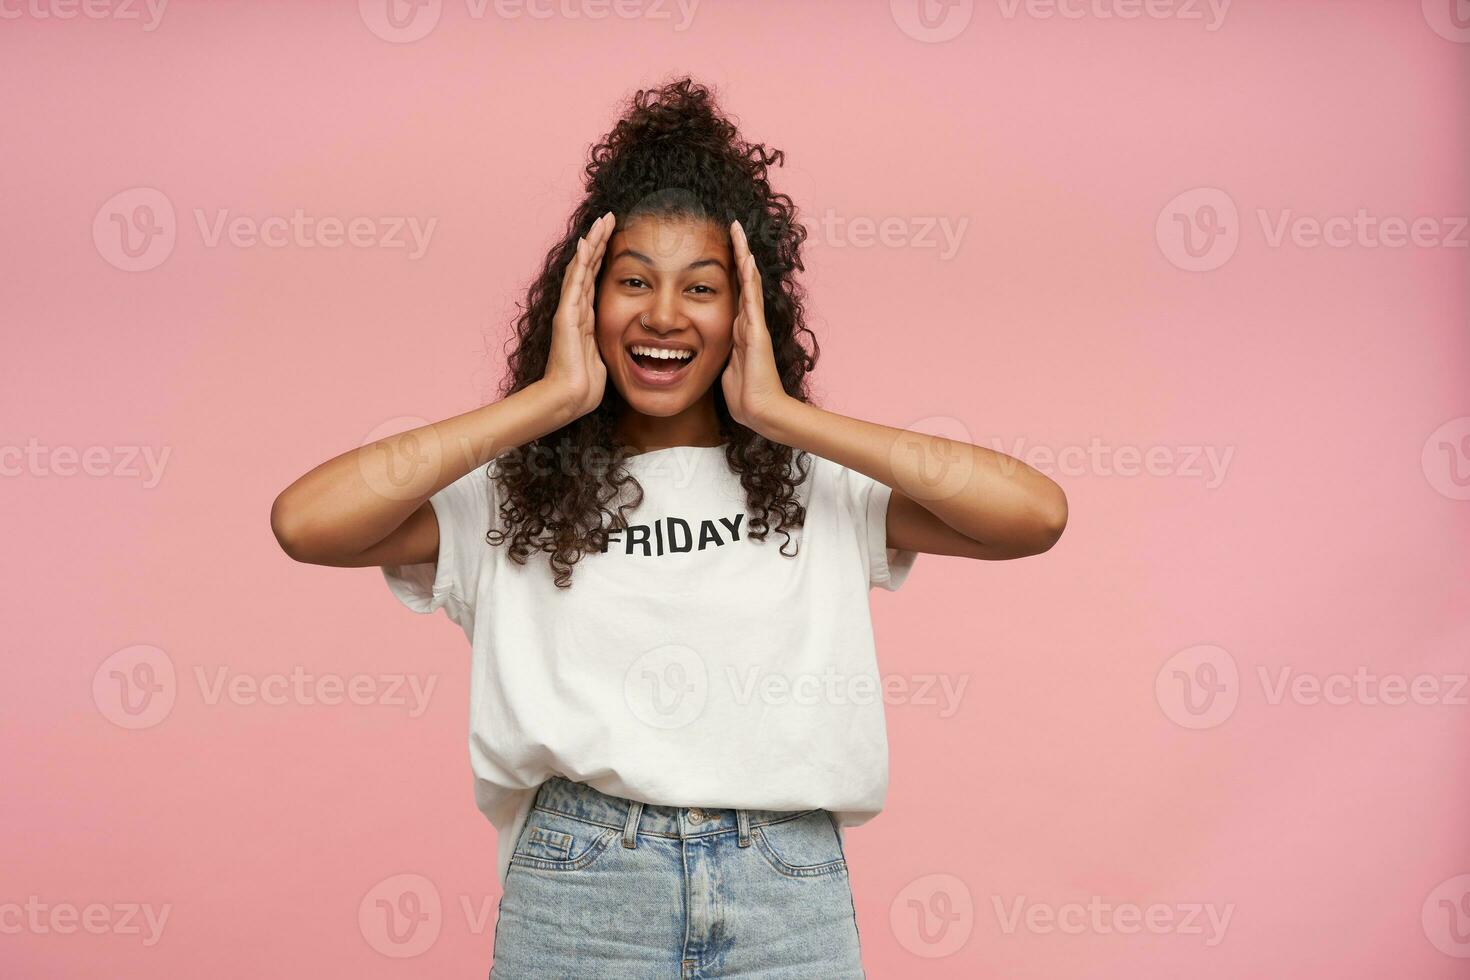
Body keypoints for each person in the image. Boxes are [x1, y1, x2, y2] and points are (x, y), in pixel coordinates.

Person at [269, 75, 1067, 979]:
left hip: (787, 896)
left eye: (703, 288)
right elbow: (305, 523)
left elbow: (1035, 517)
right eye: (633, 282)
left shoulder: (821, 485)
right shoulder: (508, 491)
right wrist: (548, 402)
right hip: (581, 894)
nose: (662, 315)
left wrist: (783, 416)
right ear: (583, 303)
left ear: (746, 314)